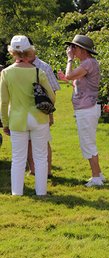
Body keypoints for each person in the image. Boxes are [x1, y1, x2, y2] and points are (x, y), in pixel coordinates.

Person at [0, 35, 55, 196]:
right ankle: (41, 192)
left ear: (12, 52)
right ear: (28, 51)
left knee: (18, 159)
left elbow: (3, 102)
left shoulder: (6, 73)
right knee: (40, 157)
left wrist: (5, 123)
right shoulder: (38, 71)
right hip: (39, 118)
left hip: (17, 119)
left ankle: (17, 193)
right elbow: (51, 96)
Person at [57, 34, 104, 187]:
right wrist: (67, 79)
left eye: (74, 47)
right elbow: (77, 83)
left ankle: (96, 177)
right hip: (87, 107)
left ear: (82, 49)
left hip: (87, 109)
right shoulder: (88, 63)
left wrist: (69, 59)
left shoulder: (88, 63)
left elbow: (71, 74)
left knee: (88, 143)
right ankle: (99, 174)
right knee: (89, 142)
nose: (71, 50)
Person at [25, 36, 60, 177]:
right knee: (27, 141)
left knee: (43, 141)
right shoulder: (16, 67)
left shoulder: (44, 67)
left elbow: (53, 91)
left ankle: (48, 171)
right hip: (23, 111)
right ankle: (33, 170)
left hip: (41, 111)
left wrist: (50, 113)